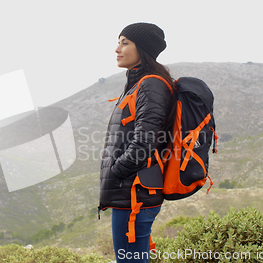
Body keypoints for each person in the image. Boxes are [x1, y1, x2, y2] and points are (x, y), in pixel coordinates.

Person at [99, 22, 176, 263]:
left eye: (124, 42)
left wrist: (115, 173)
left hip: (134, 194)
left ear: (141, 48)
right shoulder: (137, 84)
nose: (117, 49)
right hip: (131, 193)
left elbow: (143, 144)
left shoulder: (151, 85)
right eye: (118, 42)